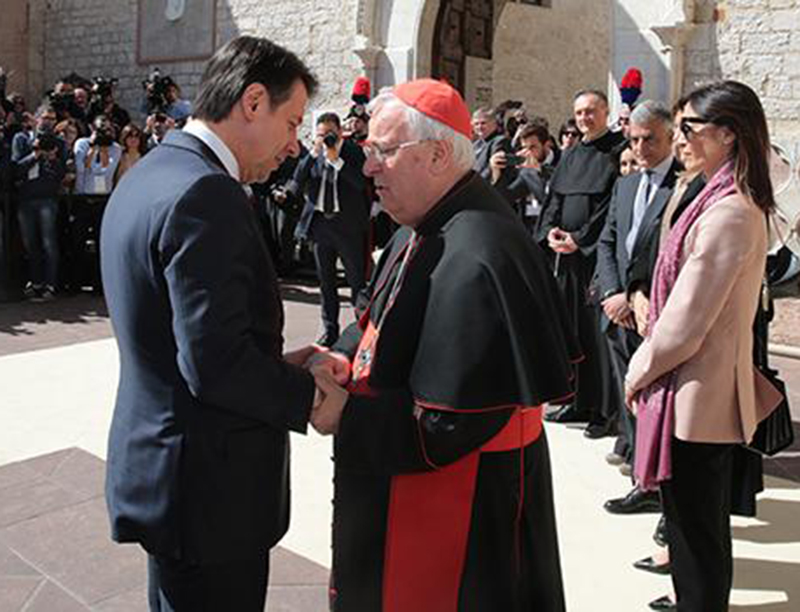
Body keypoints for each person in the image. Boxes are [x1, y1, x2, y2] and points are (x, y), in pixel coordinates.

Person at [309, 78, 578, 612]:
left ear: (435, 155)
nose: (368, 167)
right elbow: (375, 316)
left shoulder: (481, 253)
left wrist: (347, 415)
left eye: (383, 151)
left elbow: (451, 425)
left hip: (460, 499)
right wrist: (338, 357)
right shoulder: (420, 223)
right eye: (367, 150)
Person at [101, 36, 337, 612]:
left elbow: (180, 340)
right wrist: (311, 396)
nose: (294, 145)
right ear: (252, 102)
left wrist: (278, 365)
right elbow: (214, 365)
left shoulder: (154, 170)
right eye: (291, 122)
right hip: (208, 492)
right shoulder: (207, 193)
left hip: (168, 474)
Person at [624, 81, 784, 612]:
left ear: (728, 134)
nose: (680, 139)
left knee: (696, 528)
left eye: (689, 128)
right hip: (693, 387)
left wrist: (637, 372)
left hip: (698, 394)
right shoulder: (715, 197)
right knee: (695, 523)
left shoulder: (729, 211)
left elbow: (685, 325)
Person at [595, 101, 681, 514]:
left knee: (660, 406)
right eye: (634, 140)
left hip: (656, 315)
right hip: (619, 315)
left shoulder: (684, 187)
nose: (641, 148)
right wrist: (614, 292)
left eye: (650, 140)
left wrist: (635, 295)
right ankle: (641, 481)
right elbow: (608, 240)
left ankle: (667, 491)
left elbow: (669, 254)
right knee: (629, 401)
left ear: (670, 138)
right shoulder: (626, 184)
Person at [539, 90, 625, 427]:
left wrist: (579, 239)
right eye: (579, 113)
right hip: (567, 258)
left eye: (591, 111)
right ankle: (578, 401)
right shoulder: (571, 154)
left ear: (606, 112)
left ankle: (605, 411)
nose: (584, 118)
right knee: (572, 330)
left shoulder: (617, 150)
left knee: (596, 334)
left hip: (596, 257)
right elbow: (554, 200)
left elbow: (610, 206)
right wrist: (550, 232)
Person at [288, 111, 371, 347]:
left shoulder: (353, 152)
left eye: (330, 134)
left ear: (340, 132)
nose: (326, 139)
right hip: (321, 226)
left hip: (347, 226)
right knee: (326, 283)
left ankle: (361, 332)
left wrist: (337, 161)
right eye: (321, 134)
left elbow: (360, 184)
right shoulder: (315, 154)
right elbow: (298, 181)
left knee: (356, 282)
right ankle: (329, 330)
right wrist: (312, 154)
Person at [11, 103, 66, 300]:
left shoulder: (58, 143)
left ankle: (50, 284)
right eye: (45, 118)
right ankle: (35, 282)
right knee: (30, 244)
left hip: (47, 199)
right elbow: (16, 168)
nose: (48, 122)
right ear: (36, 119)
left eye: (52, 119)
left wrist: (52, 158)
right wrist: (35, 155)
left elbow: (61, 173)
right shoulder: (22, 139)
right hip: (26, 198)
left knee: (49, 243)